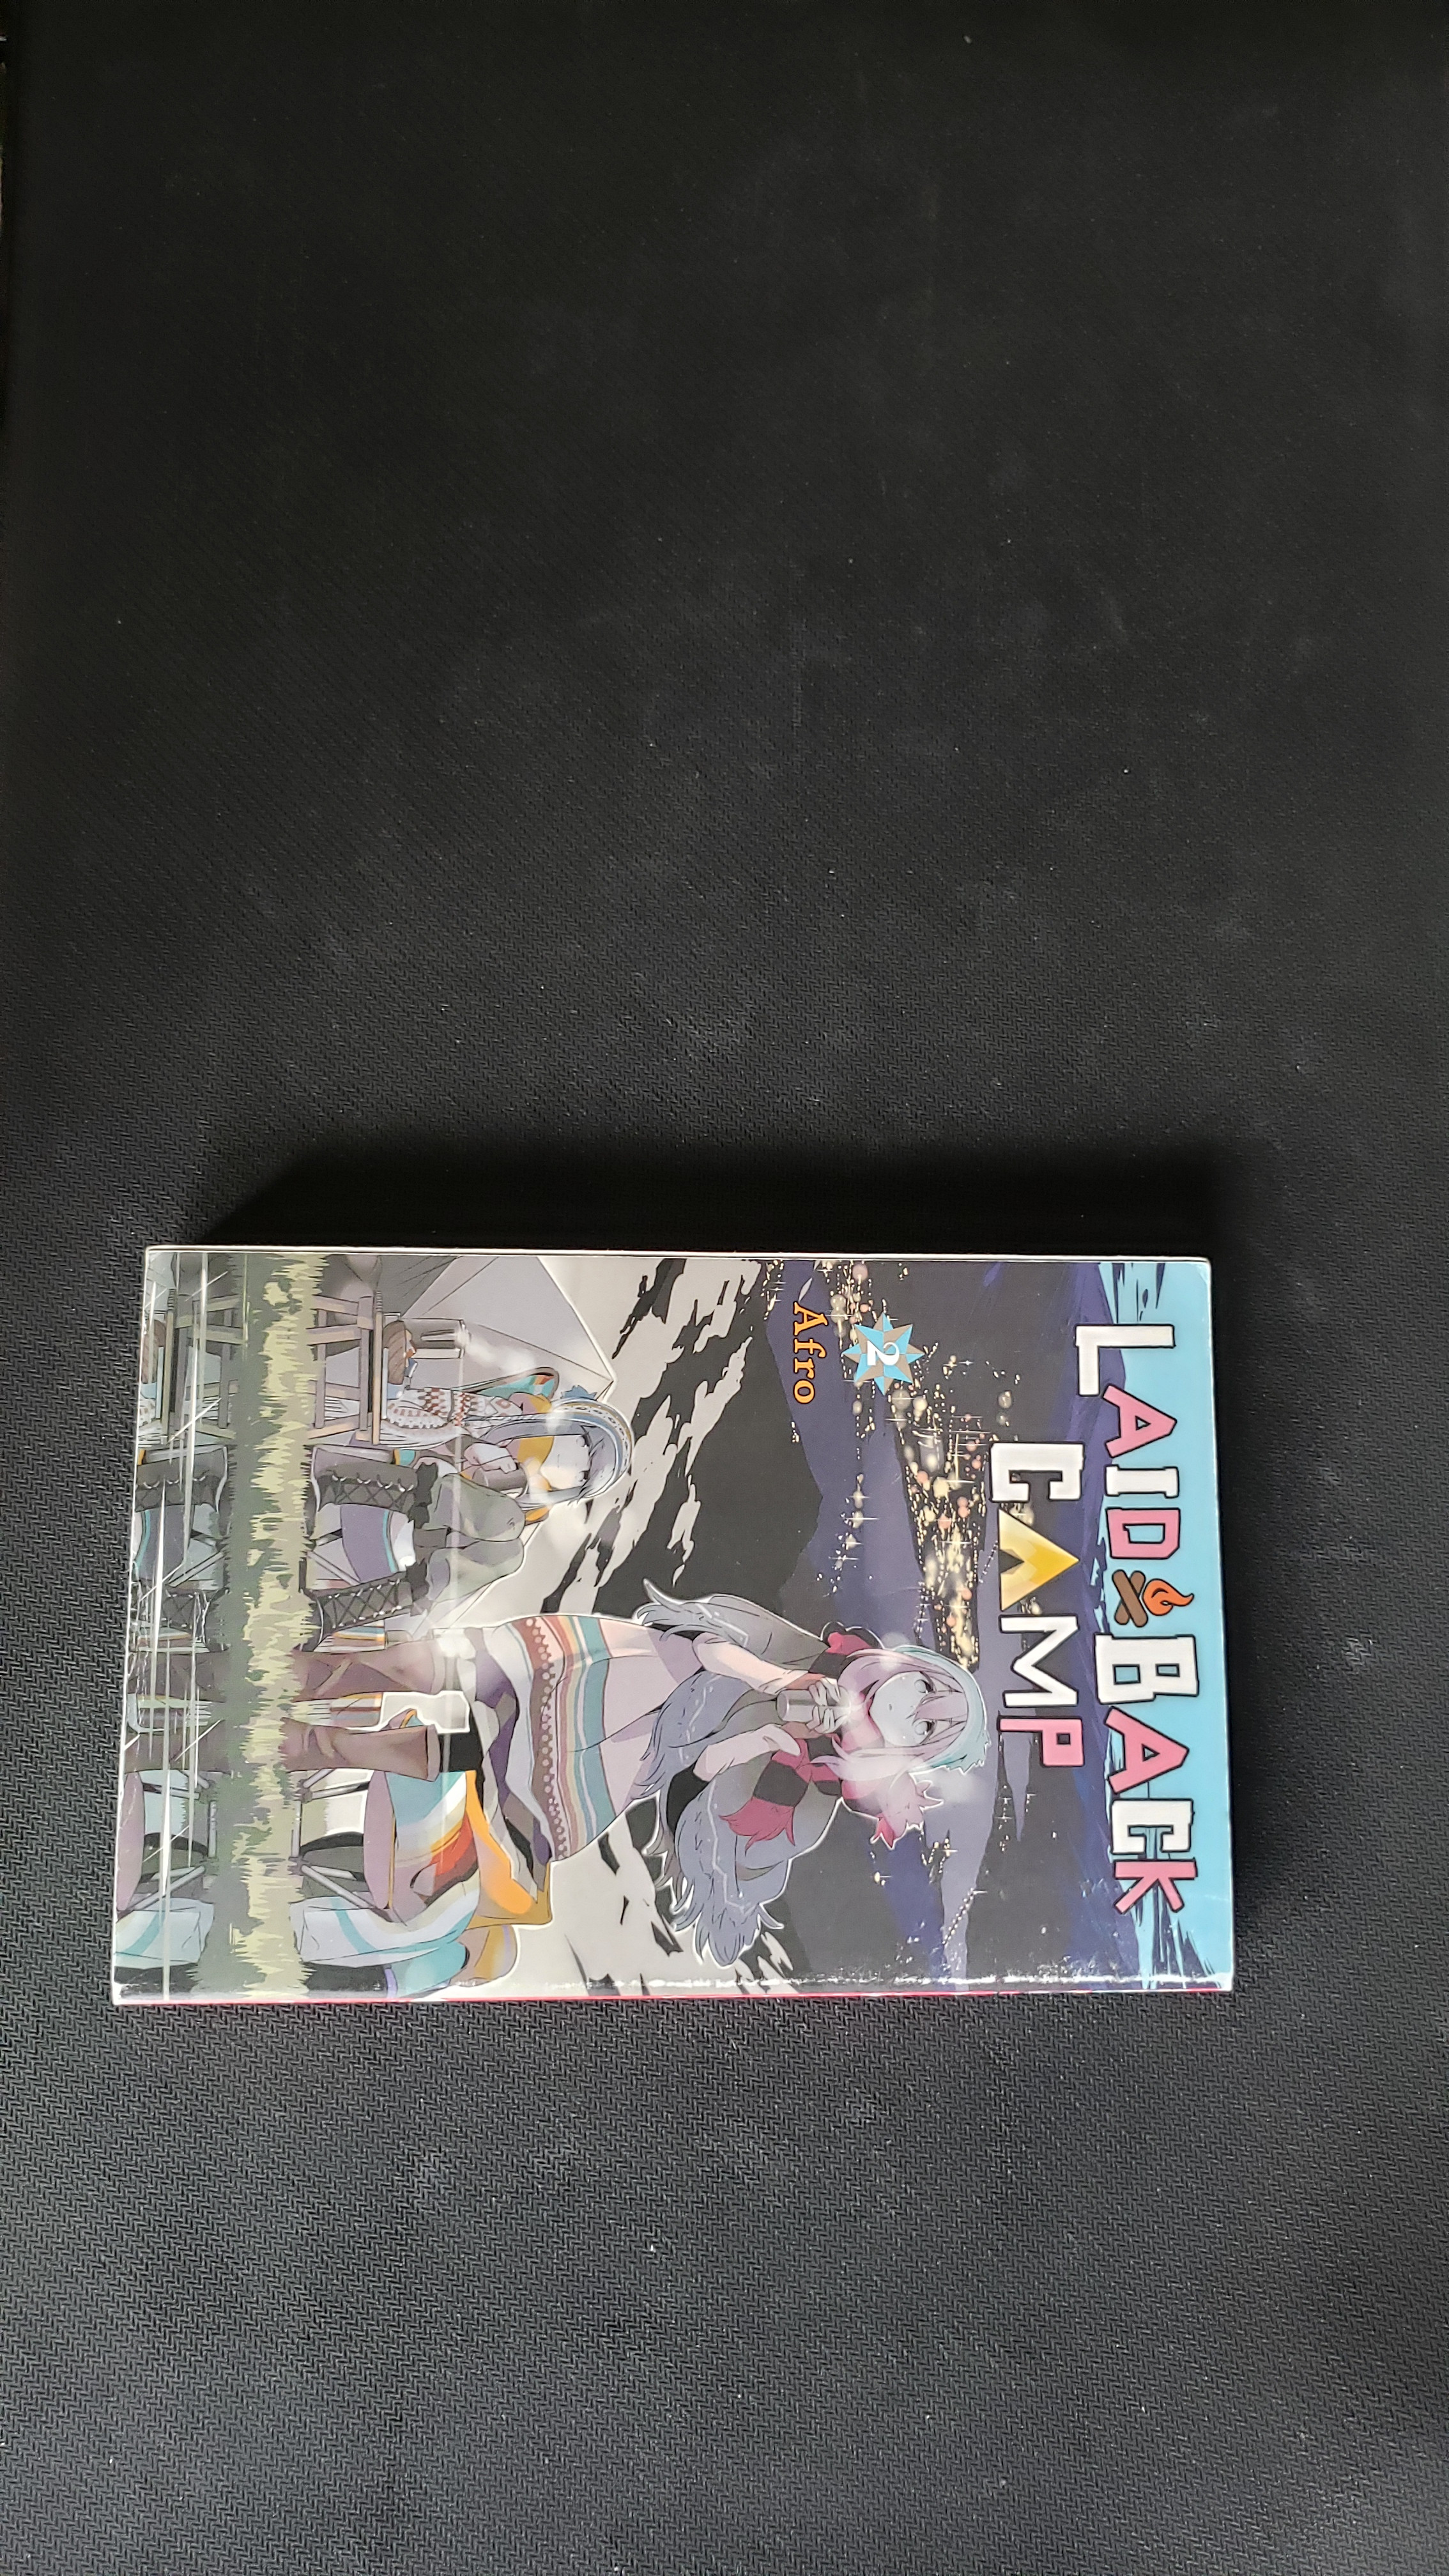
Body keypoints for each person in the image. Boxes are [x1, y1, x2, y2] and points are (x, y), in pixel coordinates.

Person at [280, 1586, 988, 1968]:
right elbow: (709, 1642)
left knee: (481, 1790)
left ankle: (311, 1747)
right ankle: (299, 1675)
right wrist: (778, 1682)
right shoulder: (804, 1650)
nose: (911, 1706)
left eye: (930, 1727)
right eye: (929, 1688)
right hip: (628, 1670)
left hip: (623, 1762)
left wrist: (760, 1743)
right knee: (447, 1666)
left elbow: (694, 1805)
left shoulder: (805, 1806)